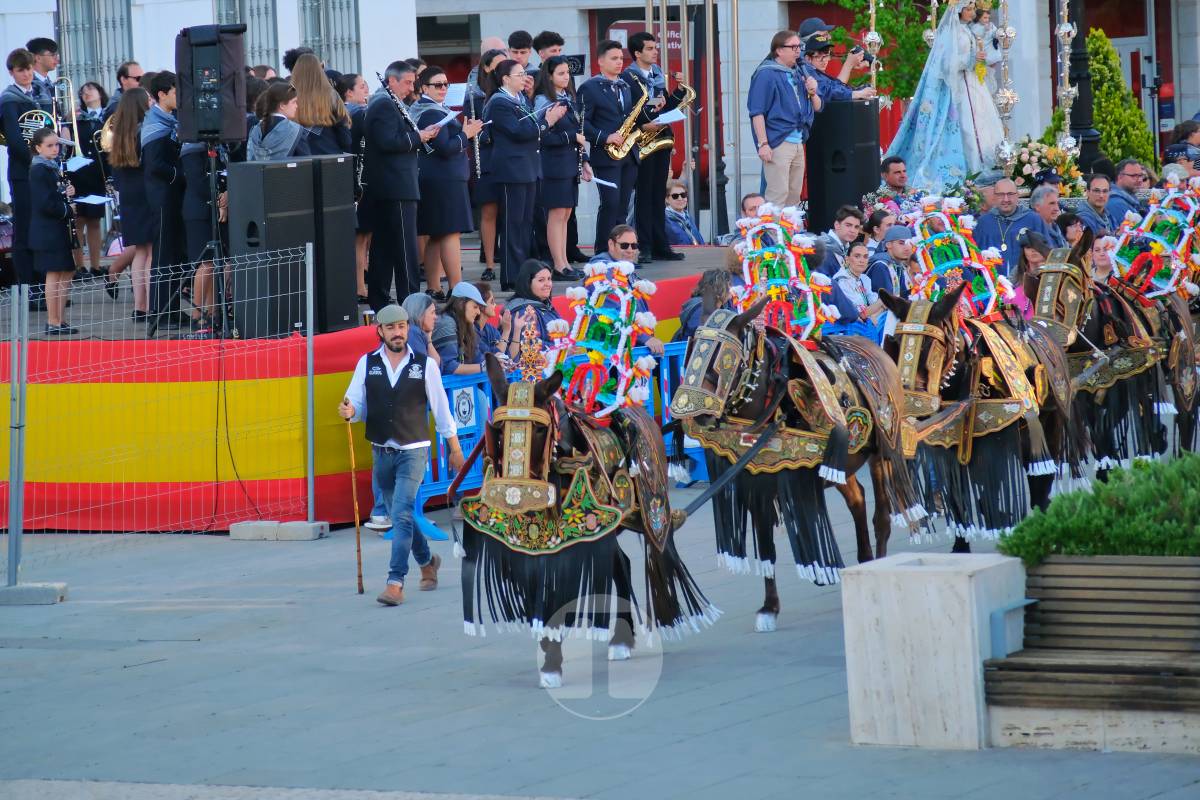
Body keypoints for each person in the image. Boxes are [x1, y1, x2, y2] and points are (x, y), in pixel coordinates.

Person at [339, 304, 462, 606]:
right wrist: (350, 410)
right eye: (391, 327)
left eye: (403, 327)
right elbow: (354, 401)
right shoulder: (367, 363)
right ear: (379, 331)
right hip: (381, 449)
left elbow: (442, 409)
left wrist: (455, 447)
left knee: (403, 512)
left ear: (409, 329)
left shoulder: (425, 366)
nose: (398, 332)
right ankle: (427, 562)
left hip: (413, 450)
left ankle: (395, 581)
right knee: (401, 515)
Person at [884, 0, 1005, 193]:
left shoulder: (968, 30)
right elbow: (947, 64)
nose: (972, 13)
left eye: (973, 9)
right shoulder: (952, 33)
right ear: (958, 11)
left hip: (972, 83)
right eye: (968, 9)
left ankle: (986, 166)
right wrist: (972, 60)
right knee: (967, 126)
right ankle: (973, 170)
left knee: (982, 124)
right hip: (961, 86)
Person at [364, 60, 438, 310]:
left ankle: (382, 299)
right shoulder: (384, 103)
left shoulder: (390, 102)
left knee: (385, 246)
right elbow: (387, 141)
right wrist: (419, 136)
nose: (410, 87)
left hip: (394, 185)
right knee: (404, 248)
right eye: (406, 82)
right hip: (395, 185)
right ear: (391, 80)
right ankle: (410, 300)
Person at [414, 66, 483, 296]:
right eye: (437, 85)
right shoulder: (431, 111)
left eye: (445, 84)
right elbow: (444, 147)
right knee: (450, 233)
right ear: (424, 87)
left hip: (437, 178)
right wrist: (467, 134)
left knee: (437, 234)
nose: (443, 88)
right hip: (444, 180)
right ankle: (457, 287)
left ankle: (434, 287)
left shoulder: (427, 108)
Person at [623, 32, 690, 263]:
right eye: (650, 48)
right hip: (642, 141)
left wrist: (680, 91)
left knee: (657, 194)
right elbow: (630, 111)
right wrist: (644, 122)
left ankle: (661, 245)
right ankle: (645, 245)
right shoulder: (629, 78)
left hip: (660, 138)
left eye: (655, 47)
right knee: (644, 195)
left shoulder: (657, 75)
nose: (655, 51)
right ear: (637, 53)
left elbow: (662, 108)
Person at [487, 59, 550, 291]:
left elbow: (528, 126)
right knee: (512, 224)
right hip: (511, 169)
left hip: (527, 168)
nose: (525, 77)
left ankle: (523, 274)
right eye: (519, 74)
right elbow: (518, 131)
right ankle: (511, 277)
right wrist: (545, 124)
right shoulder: (499, 102)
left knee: (525, 224)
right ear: (505, 78)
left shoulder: (520, 99)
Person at [580, 40, 643, 255]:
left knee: (623, 206)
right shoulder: (589, 87)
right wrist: (605, 137)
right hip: (606, 155)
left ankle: (622, 251)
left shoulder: (625, 85)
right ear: (600, 61)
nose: (619, 63)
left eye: (621, 59)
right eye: (614, 59)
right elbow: (583, 123)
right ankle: (602, 251)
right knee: (610, 203)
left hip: (628, 153)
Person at [531, 56, 588, 281]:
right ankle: (557, 264)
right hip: (552, 164)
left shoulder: (568, 97)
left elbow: (579, 135)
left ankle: (564, 262)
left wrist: (585, 162)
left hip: (569, 163)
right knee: (556, 215)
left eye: (567, 73)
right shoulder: (543, 100)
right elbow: (542, 136)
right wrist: (571, 136)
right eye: (561, 73)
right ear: (550, 76)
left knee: (565, 214)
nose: (566, 77)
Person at [748, 31, 819, 207]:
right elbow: (757, 112)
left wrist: (813, 91)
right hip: (778, 142)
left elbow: (817, 107)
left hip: (798, 141)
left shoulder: (798, 73)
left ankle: (789, 234)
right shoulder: (766, 73)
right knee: (777, 195)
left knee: (794, 197)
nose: (798, 51)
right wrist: (763, 143)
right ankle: (772, 234)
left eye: (799, 47)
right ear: (779, 50)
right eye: (793, 47)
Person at [142, 71, 189, 331]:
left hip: (171, 194)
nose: (178, 96)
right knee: (163, 255)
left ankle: (172, 308)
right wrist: (181, 175)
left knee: (174, 254)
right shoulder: (155, 124)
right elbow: (155, 165)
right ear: (162, 94)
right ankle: (159, 312)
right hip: (162, 196)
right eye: (175, 92)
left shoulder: (170, 120)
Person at [106, 87, 153, 321]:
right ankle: (151, 304)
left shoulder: (120, 134)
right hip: (146, 194)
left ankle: (139, 306)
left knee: (139, 253)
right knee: (151, 251)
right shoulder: (143, 131)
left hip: (128, 196)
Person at [28, 128, 77, 334]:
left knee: (66, 271)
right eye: (50, 145)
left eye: (56, 144)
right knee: (55, 273)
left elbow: (53, 195)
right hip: (48, 231)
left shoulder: (51, 167)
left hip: (58, 229)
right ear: (38, 148)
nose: (55, 149)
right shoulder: (39, 169)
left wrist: (67, 193)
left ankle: (60, 320)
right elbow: (44, 203)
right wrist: (66, 209)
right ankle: (53, 321)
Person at [2, 49, 40, 292]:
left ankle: (43, 285)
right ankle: (28, 287)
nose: (26, 74)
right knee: (25, 229)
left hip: (39, 170)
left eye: (28, 69)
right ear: (11, 72)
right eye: (21, 70)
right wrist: (38, 160)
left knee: (40, 228)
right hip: (23, 171)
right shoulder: (9, 99)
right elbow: (16, 141)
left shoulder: (37, 94)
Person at [468, 48, 508, 282]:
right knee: (489, 212)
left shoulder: (512, 93)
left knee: (510, 213)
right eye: (499, 64)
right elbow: (472, 129)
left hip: (508, 158)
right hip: (487, 157)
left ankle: (510, 260)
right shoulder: (475, 96)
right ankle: (491, 263)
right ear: (486, 67)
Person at [973, 178, 1056, 275]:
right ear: (994, 197)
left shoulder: (1033, 219)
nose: (1006, 199)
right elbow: (975, 256)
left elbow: (1047, 253)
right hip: (992, 284)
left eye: (1010, 194)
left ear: (1017, 195)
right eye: (1001, 195)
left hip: (1026, 283)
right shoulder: (983, 223)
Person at [338, 72, 372, 302]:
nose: (366, 90)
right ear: (348, 92)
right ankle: (359, 286)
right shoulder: (355, 114)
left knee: (363, 237)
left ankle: (360, 282)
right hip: (358, 179)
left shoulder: (351, 113)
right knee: (359, 238)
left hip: (358, 177)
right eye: (361, 86)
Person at [72, 81, 109, 278]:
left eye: (90, 89)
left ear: (100, 93)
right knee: (79, 220)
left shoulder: (108, 115)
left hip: (98, 173)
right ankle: (80, 265)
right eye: (83, 91)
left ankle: (96, 265)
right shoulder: (78, 118)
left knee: (95, 220)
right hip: (79, 174)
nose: (86, 93)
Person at [798, 19, 876, 105]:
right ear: (811, 38)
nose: (829, 37)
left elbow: (834, 86)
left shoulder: (808, 58)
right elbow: (826, 92)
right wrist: (848, 65)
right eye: (825, 35)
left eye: (826, 56)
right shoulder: (802, 62)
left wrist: (851, 64)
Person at [291, 53, 351, 155]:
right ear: (320, 71)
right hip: (329, 157)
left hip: (299, 159)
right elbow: (345, 140)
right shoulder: (331, 96)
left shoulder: (288, 95)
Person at [505, 259, 564, 358]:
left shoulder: (545, 305)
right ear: (527, 283)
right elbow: (531, 344)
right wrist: (562, 349)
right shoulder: (523, 312)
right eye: (541, 280)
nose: (548, 284)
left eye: (549, 279)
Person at [828, 241, 884, 341]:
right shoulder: (841, 280)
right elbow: (860, 314)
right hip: (848, 332)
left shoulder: (865, 279)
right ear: (847, 259)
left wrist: (872, 315)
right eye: (857, 256)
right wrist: (882, 301)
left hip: (866, 328)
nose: (862, 260)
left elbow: (876, 307)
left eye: (865, 257)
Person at [432, 281, 489, 375]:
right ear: (461, 304)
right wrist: (484, 367)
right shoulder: (446, 324)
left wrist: (494, 362)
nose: (479, 312)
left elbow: (477, 358)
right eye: (475, 307)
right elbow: (449, 367)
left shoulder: (467, 324)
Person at [247, 82, 310, 161]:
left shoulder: (255, 128)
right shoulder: (296, 130)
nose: (297, 106)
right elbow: (306, 163)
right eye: (294, 102)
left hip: (257, 172)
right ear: (282, 105)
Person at [674, 269, 732, 342]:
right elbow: (703, 339)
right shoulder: (700, 309)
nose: (731, 288)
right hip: (687, 351)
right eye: (729, 285)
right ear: (718, 290)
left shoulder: (723, 303)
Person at [1010, 230, 1051, 319]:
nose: (1033, 250)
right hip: (1018, 321)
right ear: (1023, 251)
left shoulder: (1054, 269)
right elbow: (1005, 293)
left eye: (1036, 246)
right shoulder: (1017, 271)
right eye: (1028, 247)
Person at [818, 205, 865, 276]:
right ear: (837, 225)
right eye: (848, 225)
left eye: (856, 227)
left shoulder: (847, 249)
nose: (853, 230)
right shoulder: (822, 249)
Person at [401, 291, 441, 363]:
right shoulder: (412, 333)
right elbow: (430, 368)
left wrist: (428, 339)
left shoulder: (415, 332)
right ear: (419, 314)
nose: (436, 317)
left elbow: (435, 368)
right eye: (432, 312)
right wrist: (429, 341)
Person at [664, 179, 704, 245]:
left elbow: (699, 241)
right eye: (675, 196)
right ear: (667, 199)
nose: (680, 198)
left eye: (683, 195)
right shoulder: (664, 219)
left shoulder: (687, 217)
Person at [1029, 184, 1067, 248]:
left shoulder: (1056, 228)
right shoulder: (1032, 233)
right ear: (1037, 206)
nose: (1057, 209)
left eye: (1057, 203)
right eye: (1052, 203)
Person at [25, 38, 57, 106]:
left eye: (56, 55)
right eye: (52, 55)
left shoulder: (50, 84)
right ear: (38, 58)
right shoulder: (27, 84)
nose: (56, 58)